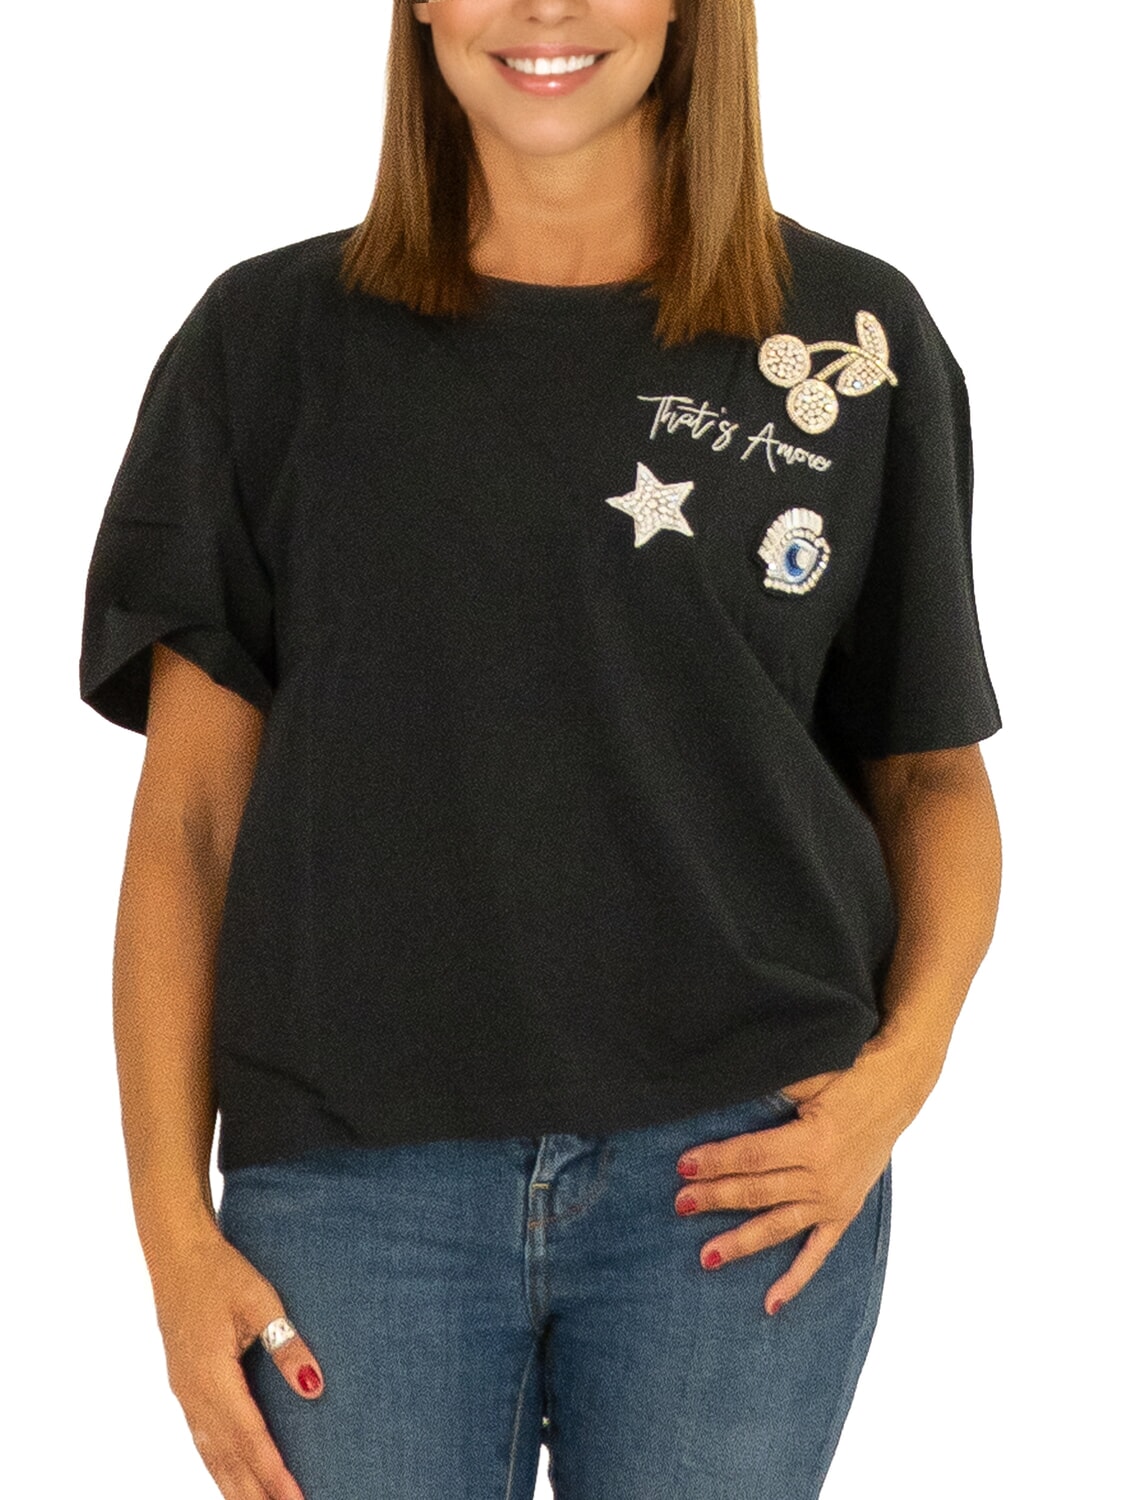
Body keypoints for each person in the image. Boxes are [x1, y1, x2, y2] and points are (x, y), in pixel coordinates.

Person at [78, 2, 1002, 1497]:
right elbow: (187, 822)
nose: (545, 9)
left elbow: (933, 774)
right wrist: (171, 1237)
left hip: (744, 1173)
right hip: (351, 1188)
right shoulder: (266, 346)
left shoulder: (851, 343)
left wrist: (896, 1080)